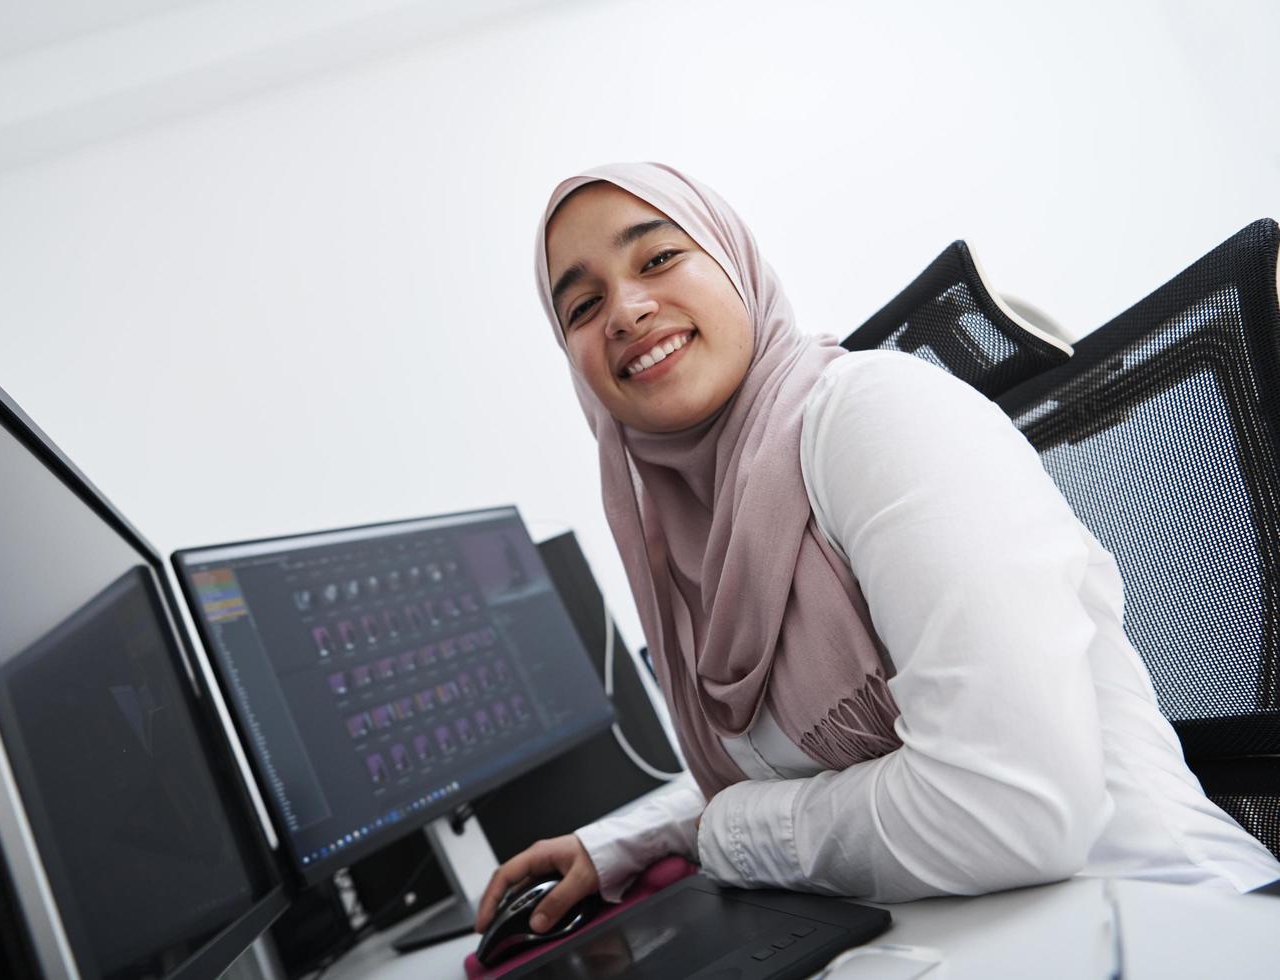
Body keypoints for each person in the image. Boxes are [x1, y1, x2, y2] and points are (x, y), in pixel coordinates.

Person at [475, 162, 1280, 938]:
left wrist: (727, 833)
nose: (624, 310)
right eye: (581, 307)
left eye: (657, 257)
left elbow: (1012, 810)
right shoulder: (687, 543)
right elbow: (800, 768)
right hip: (970, 935)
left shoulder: (873, 419)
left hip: (1158, 918)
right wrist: (631, 840)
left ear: (735, 262)